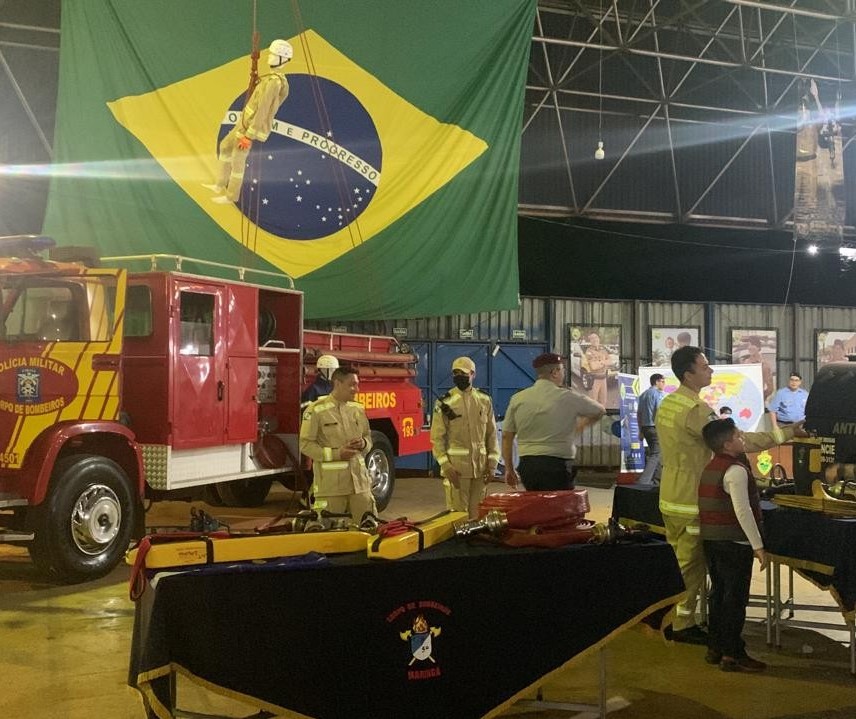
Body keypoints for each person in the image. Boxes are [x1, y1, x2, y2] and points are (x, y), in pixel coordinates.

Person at [655, 345, 805, 645]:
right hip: (693, 498)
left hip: (670, 493)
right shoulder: (695, 410)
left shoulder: (668, 403)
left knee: (681, 562)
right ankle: (682, 624)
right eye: (705, 366)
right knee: (693, 567)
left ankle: (676, 618)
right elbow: (737, 441)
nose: (711, 370)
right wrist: (788, 434)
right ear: (689, 374)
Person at [699, 419, 768, 673]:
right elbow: (743, 510)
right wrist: (758, 545)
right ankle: (732, 653)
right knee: (735, 600)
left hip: (713, 540)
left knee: (718, 594)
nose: (743, 439)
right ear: (728, 444)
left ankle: (715, 647)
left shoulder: (710, 466)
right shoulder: (736, 470)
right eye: (739, 436)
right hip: (734, 543)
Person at [502, 352, 605, 491]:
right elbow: (600, 410)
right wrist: (582, 425)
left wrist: (509, 469)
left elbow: (506, 436)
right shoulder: (568, 397)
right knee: (558, 508)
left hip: (528, 466)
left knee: (535, 505)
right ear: (555, 372)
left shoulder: (518, 399)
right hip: (558, 465)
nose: (563, 374)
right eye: (562, 370)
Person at [208, 39, 293, 204]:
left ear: (283, 59)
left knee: (237, 160)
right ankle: (220, 184)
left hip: (249, 128)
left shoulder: (274, 83)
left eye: (276, 55)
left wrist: (249, 135)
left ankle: (231, 196)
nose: (271, 58)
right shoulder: (268, 79)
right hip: (243, 123)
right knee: (225, 145)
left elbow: (263, 110)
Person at [299, 366, 376, 521]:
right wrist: (337, 454)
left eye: (357, 384)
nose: (357, 389)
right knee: (328, 536)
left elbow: (368, 437)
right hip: (331, 488)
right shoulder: (316, 410)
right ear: (337, 384)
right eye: (352, 384)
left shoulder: (357, 409)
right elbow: (305, 445)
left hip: (360, 486)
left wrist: (363, 444)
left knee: (369, 527)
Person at [430, 357, 499, 519]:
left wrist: (492, 464)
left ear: (473, 374)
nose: (459, 376)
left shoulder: (484, 400)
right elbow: (437, 438)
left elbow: (492, 434)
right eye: (455, 373)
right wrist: (445, 465)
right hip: (457, 471)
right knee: (458, 517)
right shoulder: (444, 403)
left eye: (463, 373)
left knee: (478, 516)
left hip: (480, 470)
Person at [636, 373, 666, 485]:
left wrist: (640, 430)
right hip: (655, 427)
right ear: (656, 382)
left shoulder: (643, 395)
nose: (664, 384)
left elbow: (639, 414)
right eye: (662, 381)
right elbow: (658, 411)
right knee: (656, 454)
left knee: (657, 453)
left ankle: (657, 481)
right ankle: (644, 481)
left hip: (645, 428)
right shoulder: (658, 394)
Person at [582, 332, 610, 405]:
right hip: (594, 380)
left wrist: (599, 362)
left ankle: (602, 416)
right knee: (593, 403)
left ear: (599, 339)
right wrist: (604, 362)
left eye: (596, 337)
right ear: (590, 341)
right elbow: (593, 367)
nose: (595, 339)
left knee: (603, 402)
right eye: (592, 338)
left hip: (603, 378)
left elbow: (610, 361)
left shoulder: (603, 349)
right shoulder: (589, 351)